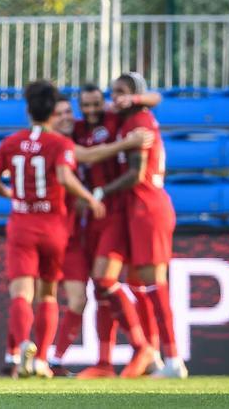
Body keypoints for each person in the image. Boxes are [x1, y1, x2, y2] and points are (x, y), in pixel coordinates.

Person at [0, 80, 106, 379]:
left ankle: (20, 349)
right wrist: (90, 198)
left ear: (28, 111)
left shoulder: (10, 142)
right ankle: (41, 359)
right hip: (53, 227)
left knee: (21, 293)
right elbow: (64, 176)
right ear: (53, 113)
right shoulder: (60, 144)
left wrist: (13, 195)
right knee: (48, 294)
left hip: (22, 225)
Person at [48, 89, 159, 377]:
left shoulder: (114, 119)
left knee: (105, 279)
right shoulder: (75, 131)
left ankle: (143, 347)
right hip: (89, 220)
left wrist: (133, 100)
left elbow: (154, 98)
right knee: (99, 289)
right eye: (85, 105)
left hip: (115, 212)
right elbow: (86, 156)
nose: (91, 109)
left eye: (96, 103)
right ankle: (104, 362)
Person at [95, 72, 188, 378]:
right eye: (113, 92)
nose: (116, 97)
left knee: (154, 285)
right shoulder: (129, 120)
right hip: (135, 210)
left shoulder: (139, 121)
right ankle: (155, 355)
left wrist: (101, 192)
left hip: (147, 208)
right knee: (139, 286)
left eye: (121, 91)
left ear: (135, 94)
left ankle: (174, 359)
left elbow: (136, 174)